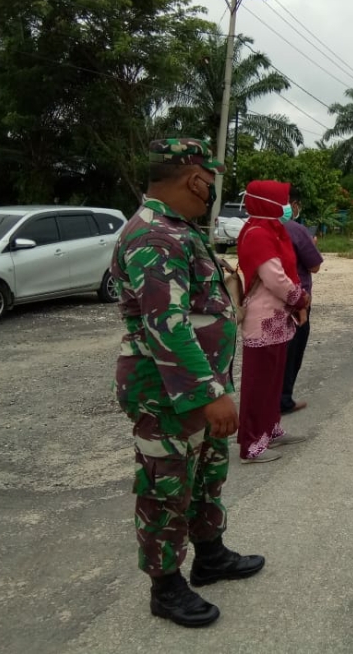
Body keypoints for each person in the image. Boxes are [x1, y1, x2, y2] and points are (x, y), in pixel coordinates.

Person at [112, 138, 264, 628]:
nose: (212, 188)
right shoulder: (155, 235)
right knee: (165, 487)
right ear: (194, 176)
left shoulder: (179, 229)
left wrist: (215, 385)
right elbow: (167, 325)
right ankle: (165, 586)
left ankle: (210, 555)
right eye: (210, 178)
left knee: (204, 475)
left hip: (199, 385)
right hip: (167, 393)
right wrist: (208, 392)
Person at [236, 180, 311, 463]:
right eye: (283, 201)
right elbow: (275, 278)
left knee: (273, 379)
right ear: (268, 203)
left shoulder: (272, 230)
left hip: (278, 317)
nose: (288, 207)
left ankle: (270, 429)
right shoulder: (258, 233)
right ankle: (251, 443)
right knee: (259, 382)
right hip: (263, 317)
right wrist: (300, 298)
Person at [279, 188, 324, 415]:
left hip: (267, 301)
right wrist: (312, 244)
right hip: (297, 300)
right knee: (293, 349)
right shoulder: (297, 231)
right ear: (293, 204)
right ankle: (283, 399)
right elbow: (314, 266)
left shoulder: (255, 227)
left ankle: (272, 399)